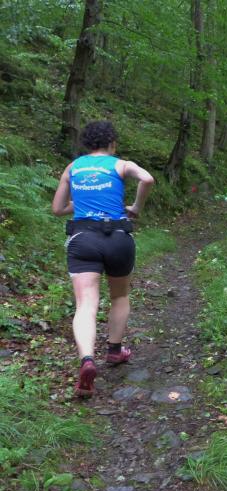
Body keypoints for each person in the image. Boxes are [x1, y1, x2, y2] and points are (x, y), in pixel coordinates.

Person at [51, 120, 155, 398]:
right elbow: (147, 179)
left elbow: (58, 208)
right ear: (112, 143)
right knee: (119, 296)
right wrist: (136, 207)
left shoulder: (73, 168)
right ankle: (114, 351)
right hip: (118, 237)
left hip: (83, 239)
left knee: (86, 303)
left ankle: (87, 360)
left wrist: (83, 201)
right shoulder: (121, 165)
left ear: (86, 144)